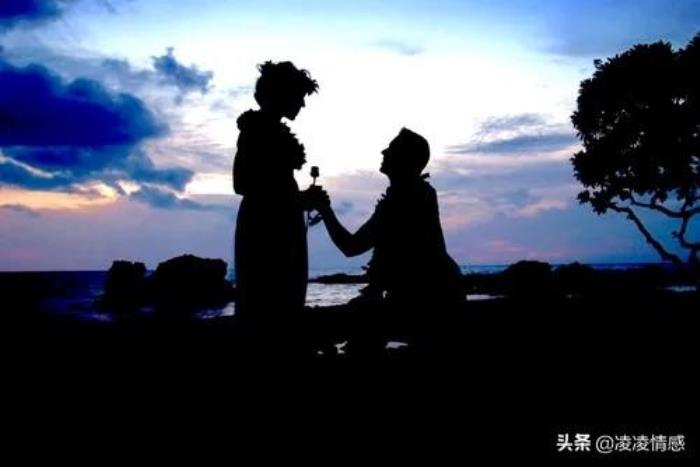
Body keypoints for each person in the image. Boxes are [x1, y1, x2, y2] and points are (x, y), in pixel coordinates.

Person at [316, 128, 464, 353]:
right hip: (434, 294)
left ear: (405, 160)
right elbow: (353, 247)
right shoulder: (413, 194)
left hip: (429, 300)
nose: (384, 151)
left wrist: (324, 209)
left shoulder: (404, 200)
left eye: (392, 149)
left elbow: (351, 247)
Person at [232, 61, 321, 341]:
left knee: (282, 297)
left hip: (277, 224)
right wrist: (299, 198)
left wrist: (299, 199)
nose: (302, 105)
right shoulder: (255, 131)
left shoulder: (266, 130)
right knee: (271, 300)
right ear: (282, 95)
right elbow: (242, 183)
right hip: (265, 230)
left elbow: (268, 187)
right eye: (299, 97)